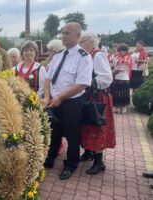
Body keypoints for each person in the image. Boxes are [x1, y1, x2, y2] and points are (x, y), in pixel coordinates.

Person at [42, 22, 93, 180]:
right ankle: (49, 159)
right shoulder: (58, 56)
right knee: (53, 132)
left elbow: (82, 83)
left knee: (72, 136)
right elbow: (48, 78)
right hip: (53, 101)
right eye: (62, 33)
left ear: (78, 36)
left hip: (71, 103)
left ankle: (71, 164)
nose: (63, 36)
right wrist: (46, 96)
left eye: (67, 33)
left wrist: (60, 97)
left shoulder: (84, 57)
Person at [79, 32, 115, 175]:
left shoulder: (98, 55)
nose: (80, 45)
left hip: (98, 97)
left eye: (82, 41)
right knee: (86, 125)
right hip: (89, 96)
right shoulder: (87, 56)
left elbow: (107, 78)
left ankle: (99, 162)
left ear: (90, 42)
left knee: (96, 127)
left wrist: (88, 83)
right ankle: (88, 153)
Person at [111, 43, 132, 114]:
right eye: (119, 51)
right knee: (117, 93)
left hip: (124, 78)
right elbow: (113, 65)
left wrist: (110, 73)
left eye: (121, 51)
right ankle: (117, 108)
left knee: (123, 94)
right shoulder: (118, 57)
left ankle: (123, 108)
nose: (119, 52)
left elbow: (119, 69)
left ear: (125, 51)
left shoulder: (127, 58)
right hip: (117, 78)